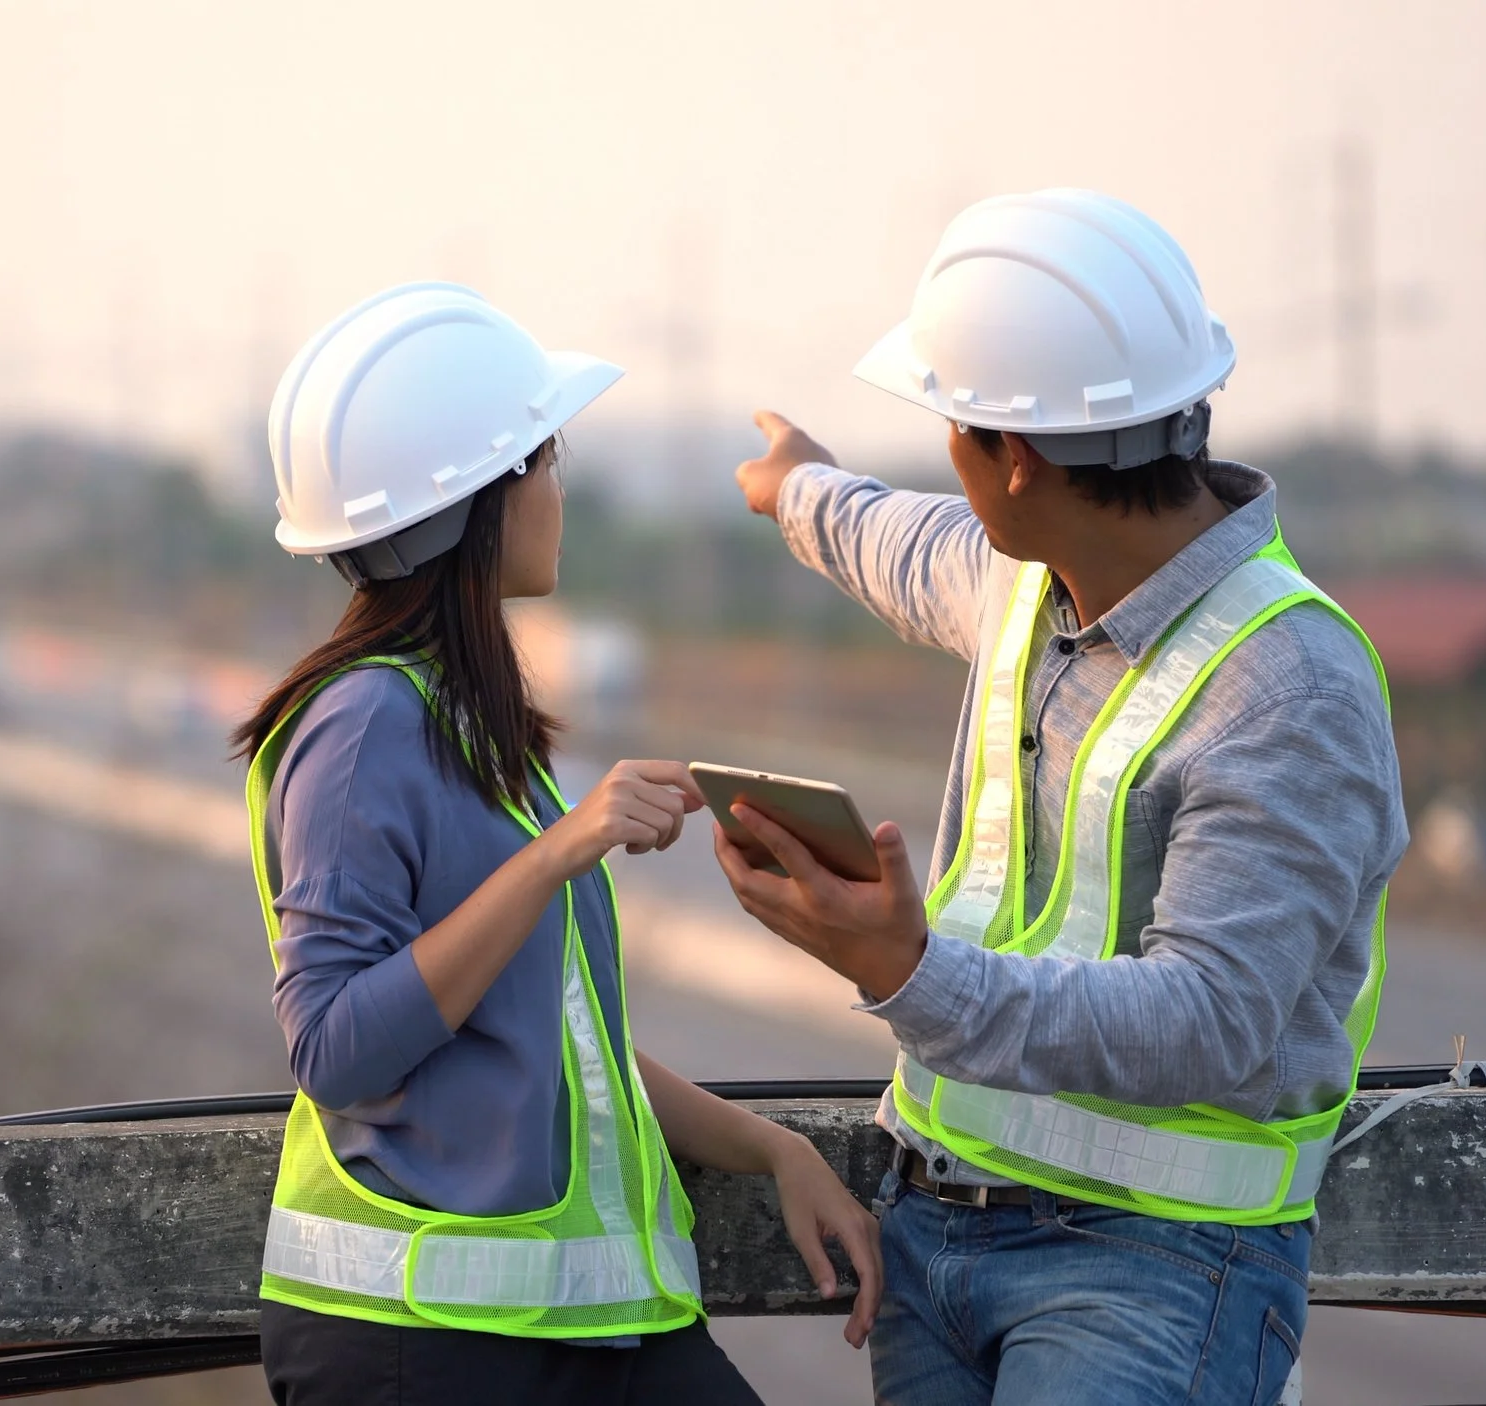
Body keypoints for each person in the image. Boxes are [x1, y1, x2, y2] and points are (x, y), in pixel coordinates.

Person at [716, 191, 1408, 1404]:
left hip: (1153, 1269)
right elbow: (895, 539)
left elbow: (1209, 1019)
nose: (944, 456)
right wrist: (798, 487)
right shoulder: (1025, 578)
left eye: (953, 427)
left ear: (1016, 459)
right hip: (934, 1229)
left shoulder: (1291, 685)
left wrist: (904, 970)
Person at [235, 282, 881, 1406]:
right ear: (475, 500)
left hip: (583, 1332)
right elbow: (334, 1047)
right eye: (543, 458)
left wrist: (770, 1146)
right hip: (418, 1342)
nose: (559, 485)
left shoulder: (464, 718)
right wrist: (550, 857)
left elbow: (558, 1045)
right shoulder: (361, 727)